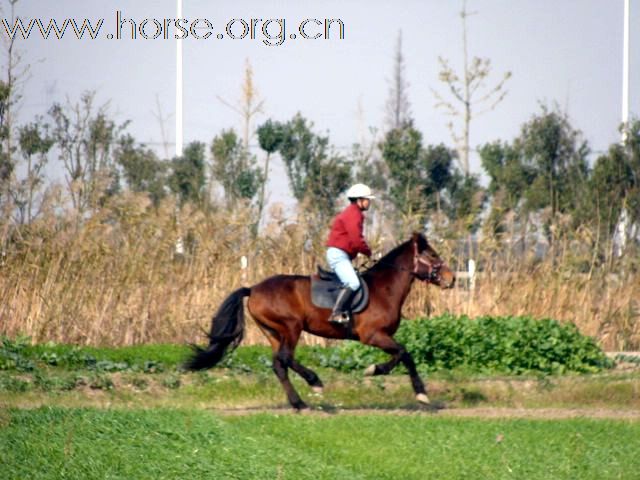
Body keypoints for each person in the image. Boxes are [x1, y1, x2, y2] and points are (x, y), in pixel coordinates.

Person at [325, 183, 375, 324]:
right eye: (367, 199)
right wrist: (368, 252)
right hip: (338, 254)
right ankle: (336, 313)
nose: (369, 202)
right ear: (359, 200)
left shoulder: (352, 213)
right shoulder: (354, 215)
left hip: (341, 254)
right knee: (352, 282)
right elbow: (356, 240)